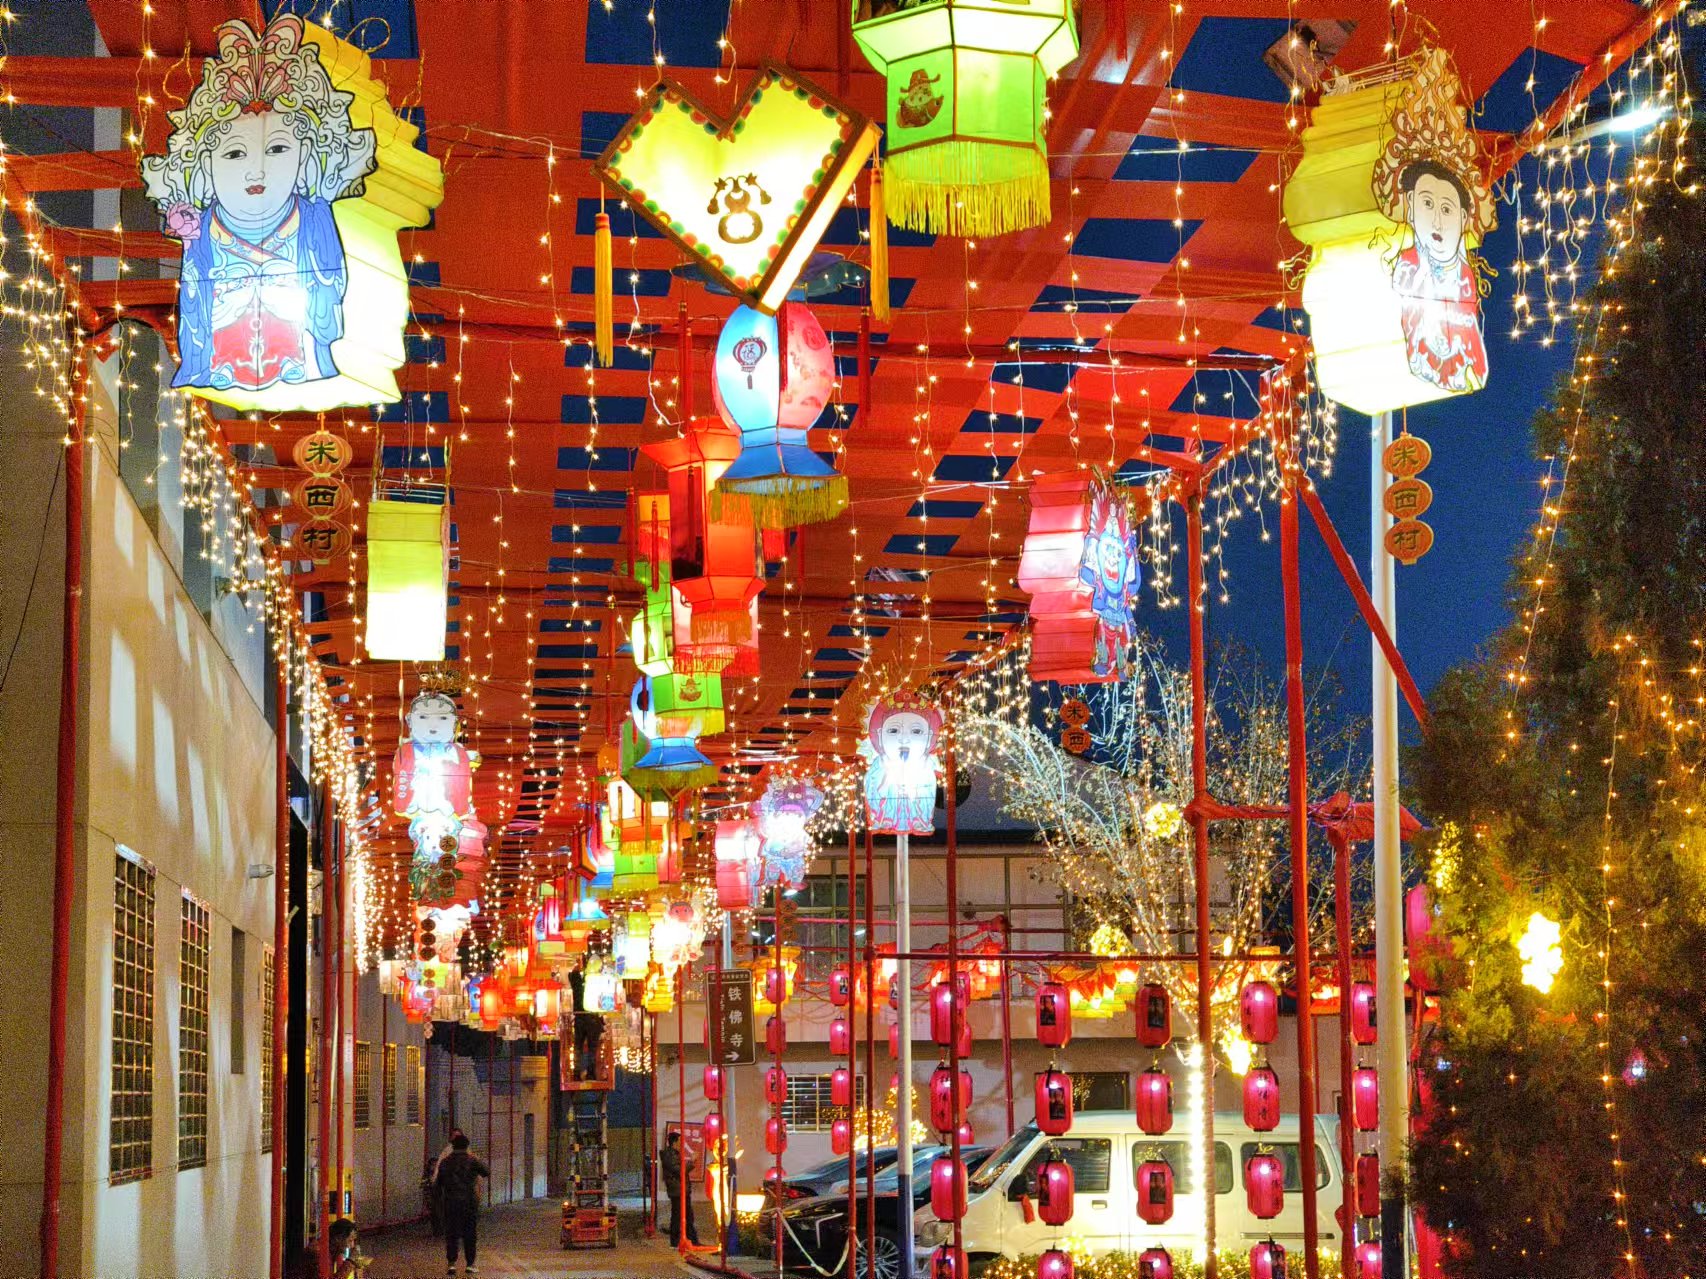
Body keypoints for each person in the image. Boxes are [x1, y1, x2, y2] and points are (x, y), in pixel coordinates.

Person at [139, 14, 378, 395]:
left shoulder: (312, 217)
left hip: (297, 353)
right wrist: (191, 240)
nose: (257, 170)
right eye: (234, 153)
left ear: (306, 157)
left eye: (278, 148)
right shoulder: (203, 228)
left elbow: (329, 282)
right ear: (204, 166)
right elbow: (196, 300)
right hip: (225, 355)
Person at [433, 1132, 489, 1276]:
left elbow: (438, 1185)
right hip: (469, 1202)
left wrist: (439, 1203)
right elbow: (486, 1172)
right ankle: (470, 1264)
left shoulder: (445, 1162)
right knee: (470, 1234)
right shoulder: (472, 1160)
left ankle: (451, 1264)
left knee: (451, 1234)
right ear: (467, 1146)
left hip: (450, 1202)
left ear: (452, 1146)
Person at [660, 1130, 701, 1248]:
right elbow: (680, 1171)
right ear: (674, 1142)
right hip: (677, 1191)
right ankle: (675, 1242)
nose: (682, 1144)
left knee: (688, 1216)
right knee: (677, 1217)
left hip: (682, 1190)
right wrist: (692, 1161)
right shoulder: (669, 1155)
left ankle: (692, 1240)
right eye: (680, 1142)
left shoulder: (674, 1154)